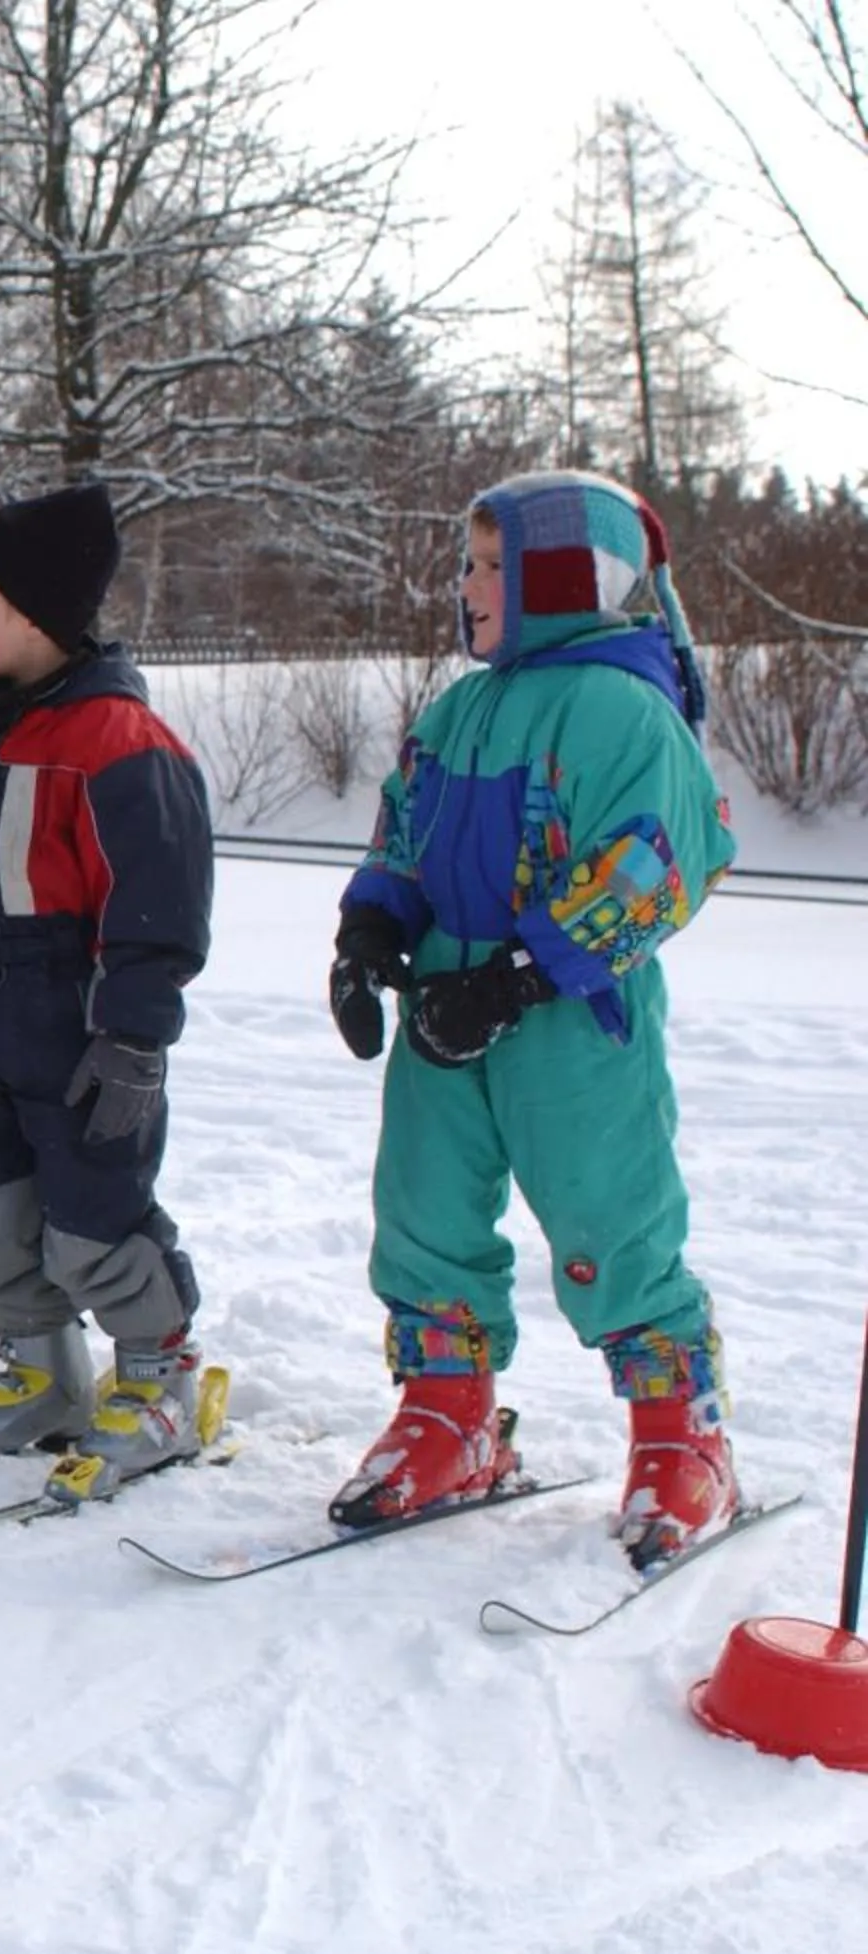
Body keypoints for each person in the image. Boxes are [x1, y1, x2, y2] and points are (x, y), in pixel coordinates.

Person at [326, 468, 739, 1568]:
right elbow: (403, 829)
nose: (464, 587)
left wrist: (517, 975)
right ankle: (447, 1413)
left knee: (613, 1217)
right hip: (440, 1005)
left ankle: (680, 1436)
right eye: (468, 565)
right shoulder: (461, 707)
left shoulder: (624, 708)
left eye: (489, 568)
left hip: (571, 1014)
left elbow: (658, 866)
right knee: (423, 1210)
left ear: (566, 579)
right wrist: (370, 933)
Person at [0, 484, 214, 1499]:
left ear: (35, 612)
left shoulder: (120, 747)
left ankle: (158, 1374)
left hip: (80, 1029)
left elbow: (158, 918)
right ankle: (42, 1371)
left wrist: (134, 1040)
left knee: (94, 1223)